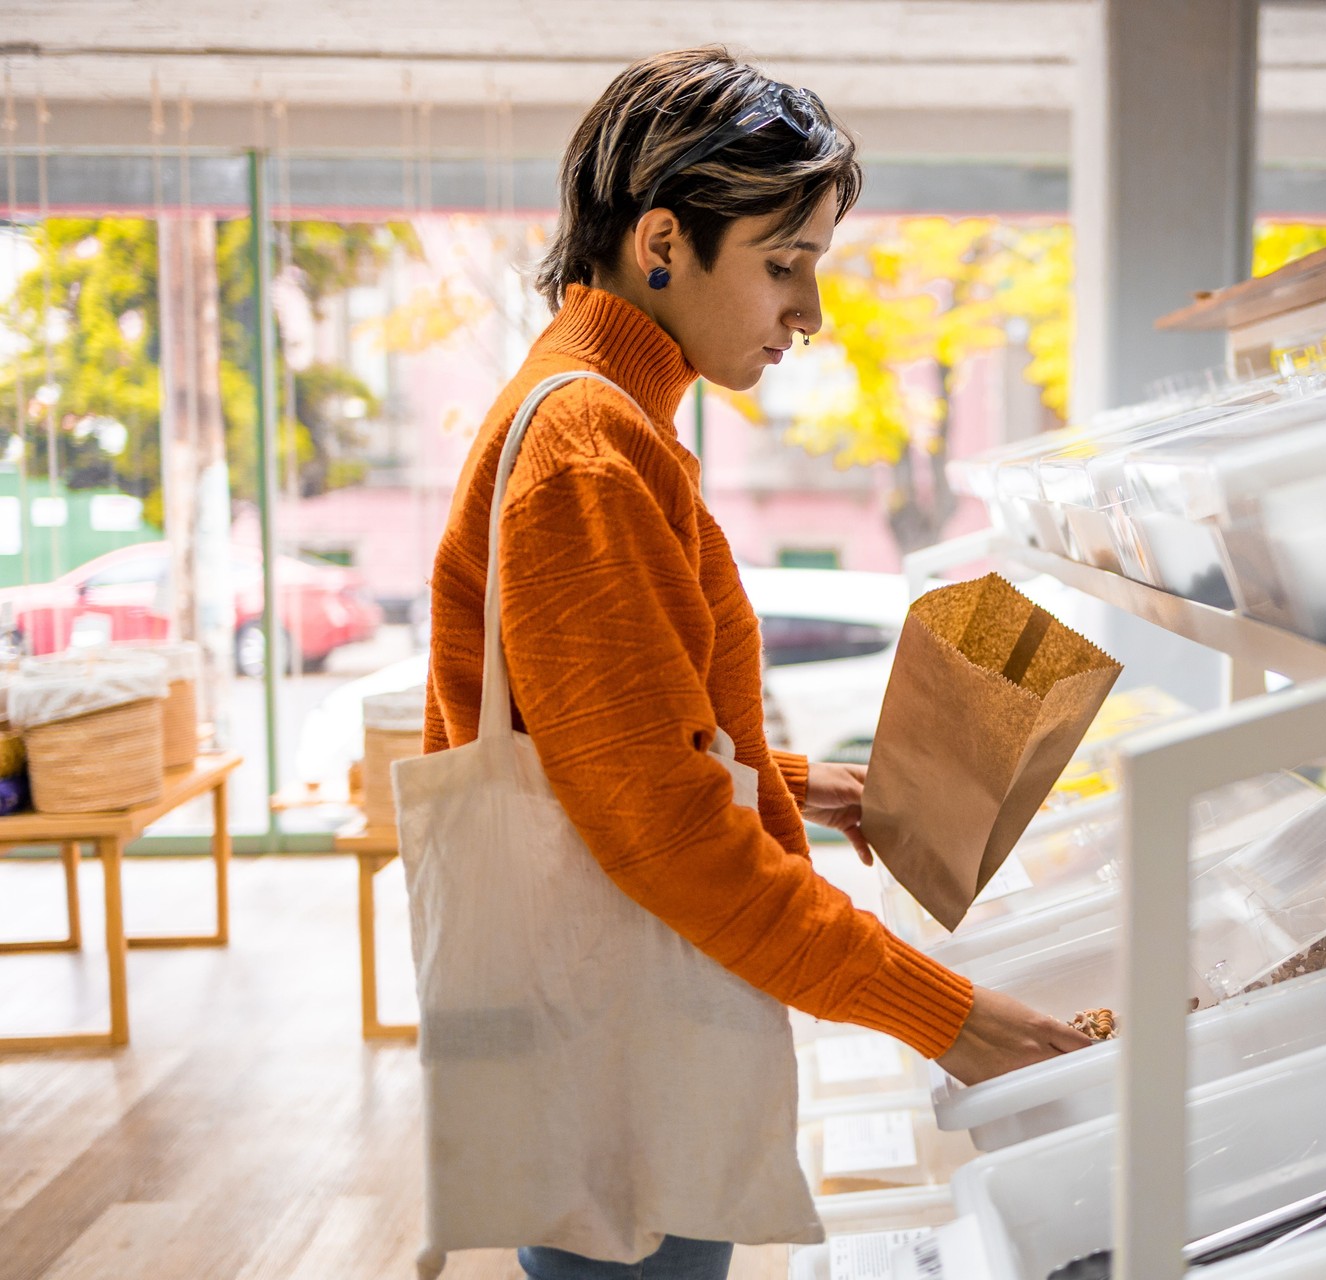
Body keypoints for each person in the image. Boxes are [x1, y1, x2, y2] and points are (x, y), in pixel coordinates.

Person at [422, 47, 1091, 1280]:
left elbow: (601, 741)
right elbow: (666, 832)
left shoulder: (610, 418)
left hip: (608, 1022)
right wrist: (953, 1017)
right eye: (785, 266)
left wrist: (794, 781)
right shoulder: (589, 445)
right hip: (618, 1044)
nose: (809, 314)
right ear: (662, 241)